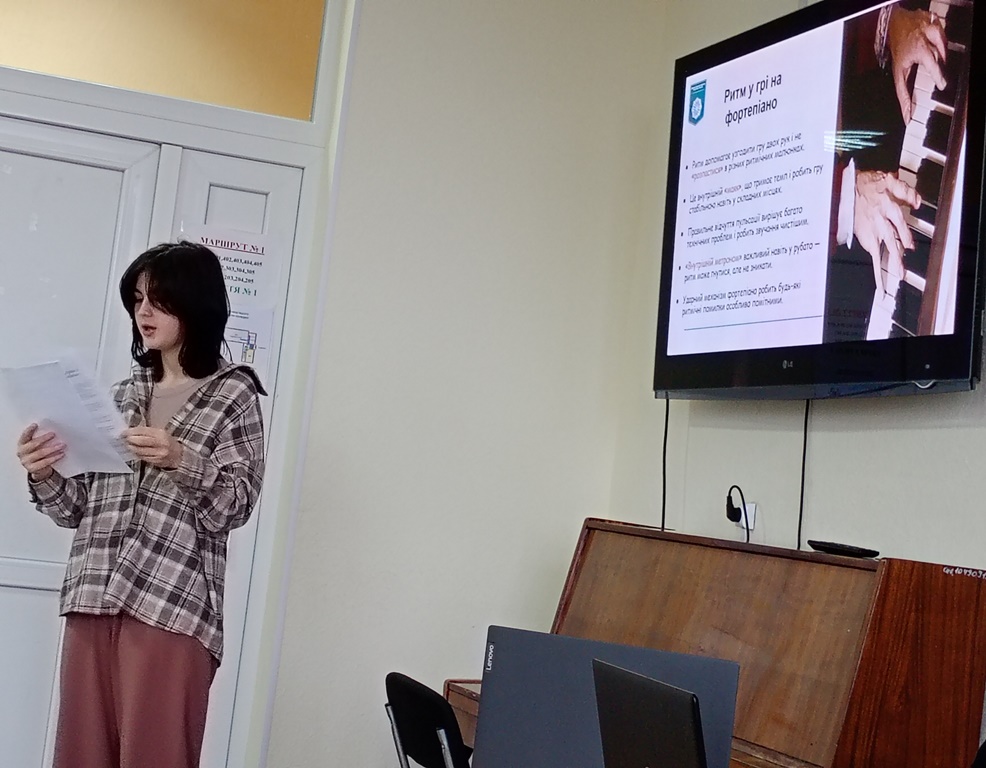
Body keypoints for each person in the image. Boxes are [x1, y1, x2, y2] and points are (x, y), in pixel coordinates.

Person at [15, 241, 266, 768]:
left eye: (158, 300)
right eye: (137, 299)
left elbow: (236, 505)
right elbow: (76, 510)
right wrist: (43, 471)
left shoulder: (233, 395)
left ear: (194, 304)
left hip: (171, 606)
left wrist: (181, 459)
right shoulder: (118, 395)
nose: (143, 312)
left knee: (157, 756)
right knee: (80, 757)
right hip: (92, 596)